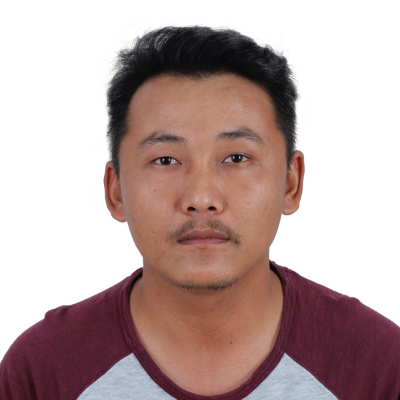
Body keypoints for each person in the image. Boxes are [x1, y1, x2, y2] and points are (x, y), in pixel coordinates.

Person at [1, 26, 399, 400]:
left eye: (237, 157)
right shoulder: (43, 370)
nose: (201, 197)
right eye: (166, 159)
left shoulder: (377, 365)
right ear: (115, 189)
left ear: (290, 183)